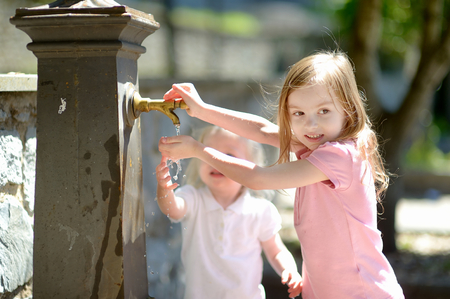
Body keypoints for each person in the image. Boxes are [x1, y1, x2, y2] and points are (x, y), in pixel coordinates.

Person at [159, 51, 405, 299]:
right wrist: (202, 110)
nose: (311, 125)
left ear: (348, 109)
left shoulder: (342, 156)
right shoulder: (316, 146)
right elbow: (264, 131)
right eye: (299, 113)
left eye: (324, 111)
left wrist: (199, 151)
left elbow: (258, 178)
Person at [155, 125, 303, 299]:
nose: (216, 161)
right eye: (209, 154)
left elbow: (276, 251)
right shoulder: (194, 199)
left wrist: (289, 269)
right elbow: (172, 209)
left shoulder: (260, 211)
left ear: (251, 167)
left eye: (229, 155)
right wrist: (164, 189)